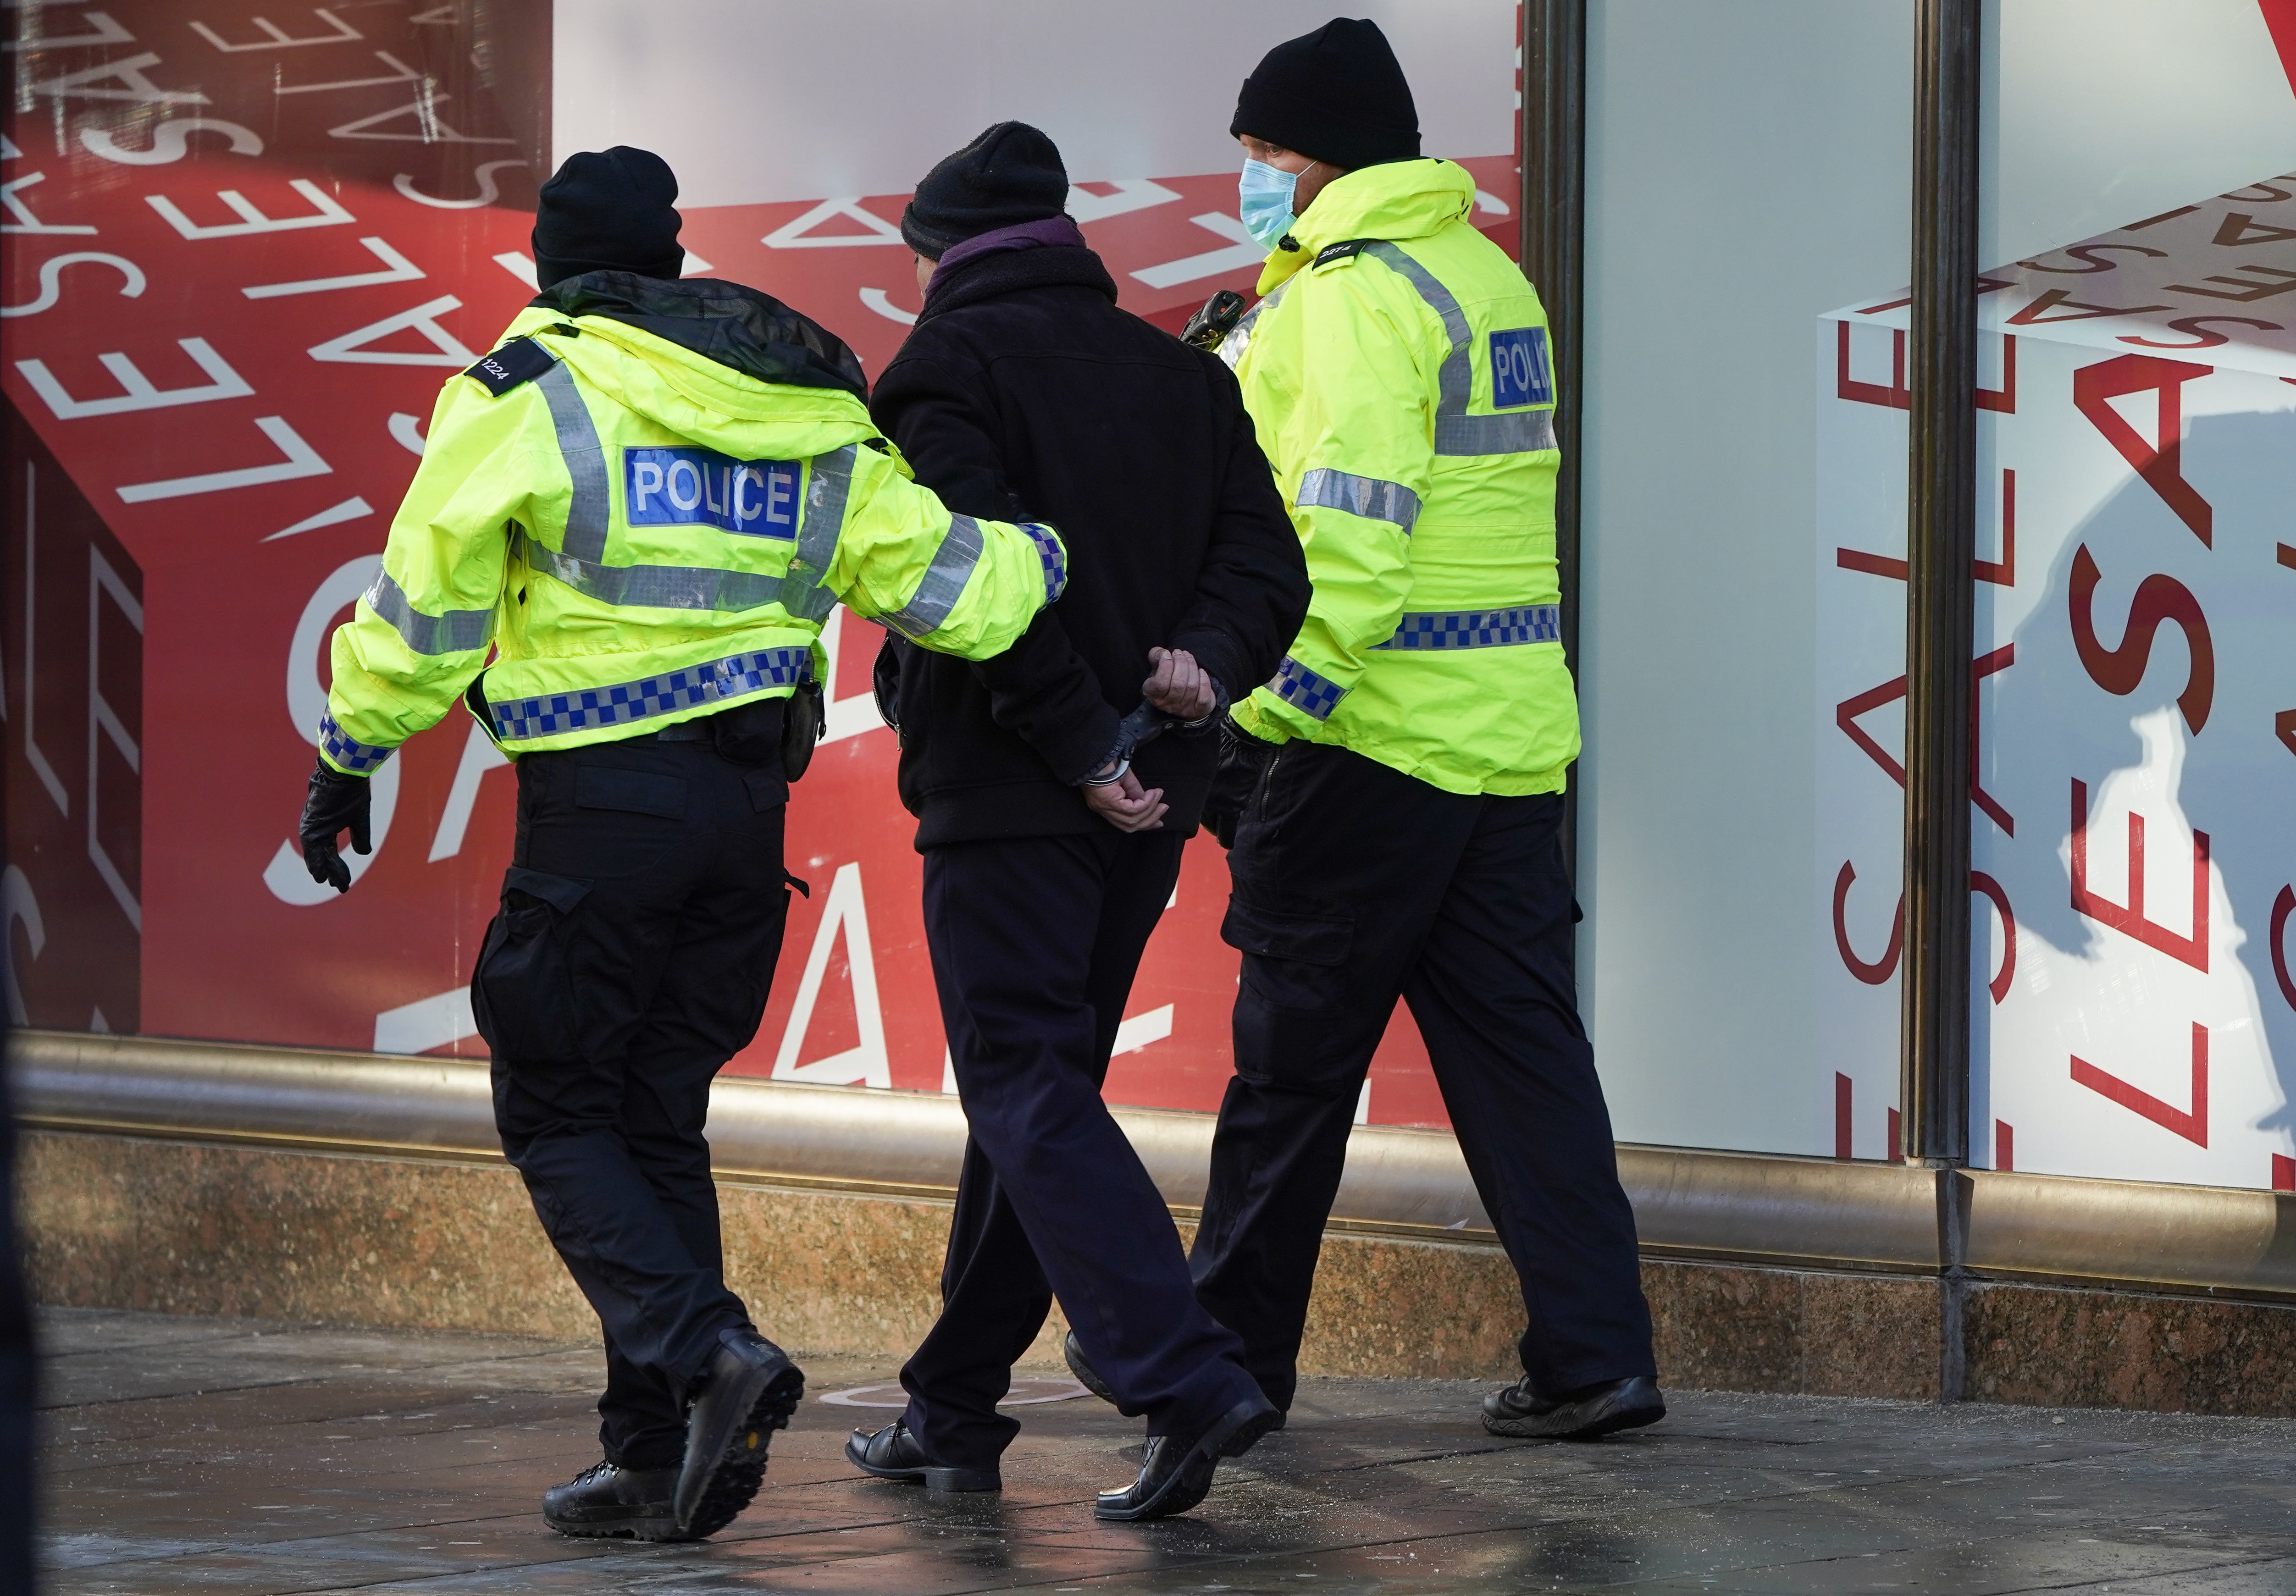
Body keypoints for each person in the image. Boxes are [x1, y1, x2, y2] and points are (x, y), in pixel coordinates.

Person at [295, 146, 1067, 1542]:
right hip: (742, 828)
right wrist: (1068, 555)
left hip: (602, 819)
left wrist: (350, 753)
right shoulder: (799, 397)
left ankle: (710, 1353)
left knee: (552, 1102)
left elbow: (421, 619)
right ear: (669, 260)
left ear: (553, 266)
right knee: (654, 1115)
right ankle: (650, 1456)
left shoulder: (527, 391)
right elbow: (947, 581)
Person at [1153, 18, 1665, 1442]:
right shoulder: (1485, 276)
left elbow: (1347, 544)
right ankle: (1596, 1353)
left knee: (1291, 1074)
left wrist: (1262, 716)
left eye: (1262, 153)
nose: (1254, 178)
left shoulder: (1344, 299)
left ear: (1314, 155)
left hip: (1370, 744)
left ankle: (1225, 1369)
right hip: (1504, 741)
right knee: (1525, 1060)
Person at [840, 121, 1310, 1521]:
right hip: (1151, 787)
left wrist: (1074, 740)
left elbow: (969, 590)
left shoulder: (942, 372)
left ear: (944, 258)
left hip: (1016, 786)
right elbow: (1267, 565)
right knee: (1033, 1084)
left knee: (1022, 1079)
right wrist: (1206, 661)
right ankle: (954, 1404)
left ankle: (1182, 1373)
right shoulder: (1181, 374)